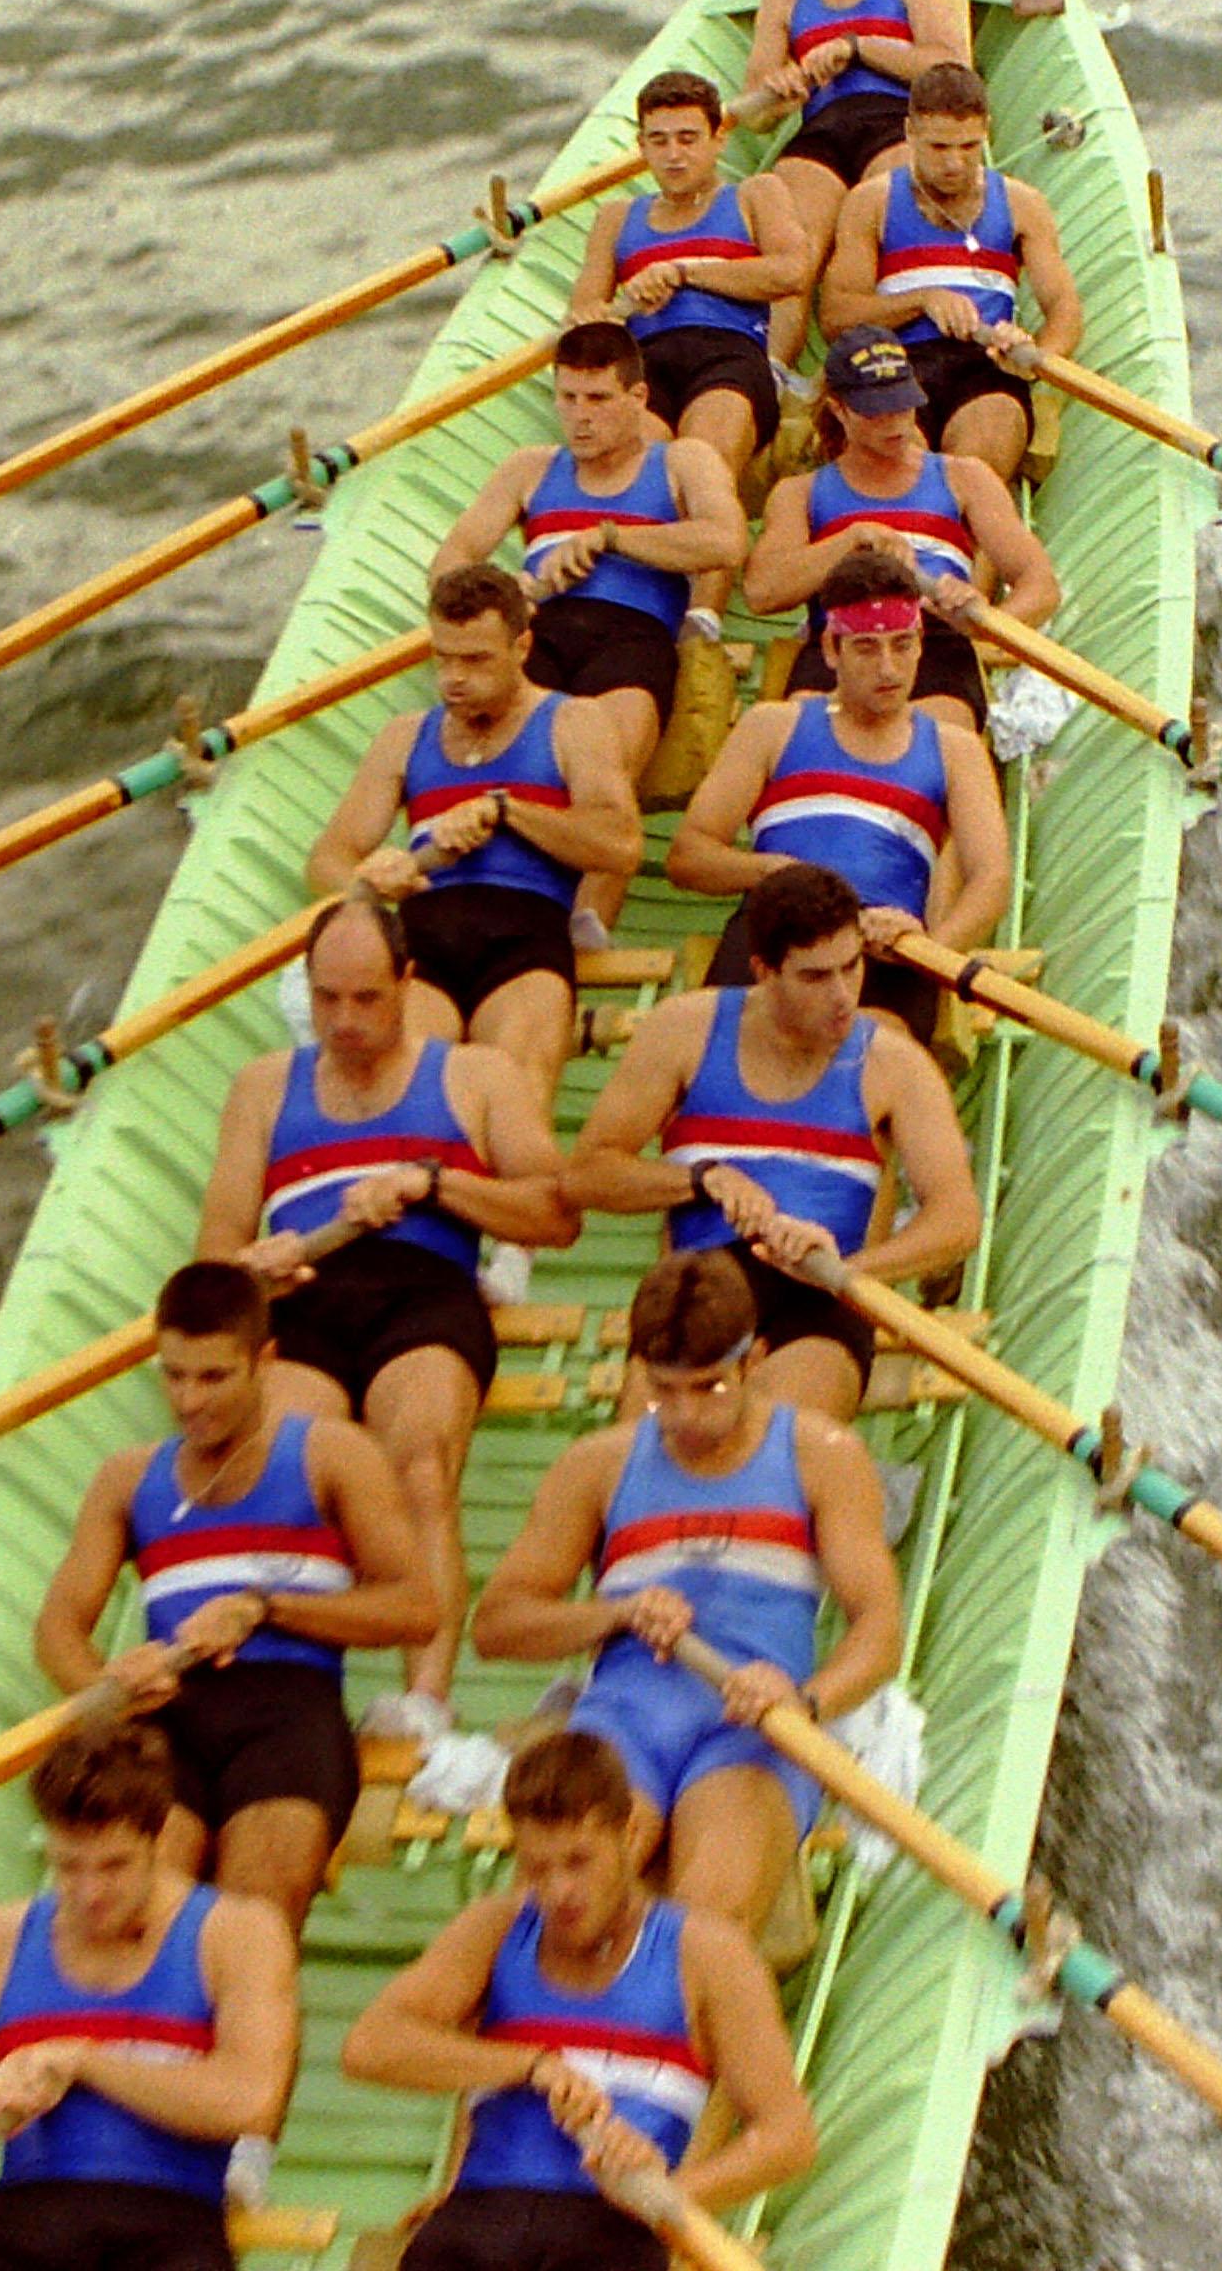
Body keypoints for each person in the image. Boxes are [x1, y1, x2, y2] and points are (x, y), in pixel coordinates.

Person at [200, 899, 575, 1778]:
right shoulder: (264, 1086)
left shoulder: (474, 1078)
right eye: (327, 1001)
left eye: (367, 1000)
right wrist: (257, 1261)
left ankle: (425, 1704)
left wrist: (436, 1185)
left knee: (418, 1458)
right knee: (284, 1468)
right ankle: (280, 1694)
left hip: (425, 1296)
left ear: (409, 985)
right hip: (301, 1303)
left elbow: (555, 1212)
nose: (346, 1023)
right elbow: (216, 1252)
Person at [467, 1255, 902, 1936]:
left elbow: (879, 1630)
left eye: (709, 1388)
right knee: (555, 1927)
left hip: (751, 1729)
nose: (687, 1416)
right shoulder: (597, 1466)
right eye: (665, 1392)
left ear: (753, 1362)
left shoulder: (822, 1454)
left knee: (704, 1928)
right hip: (623, 1727)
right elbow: (496, 1628)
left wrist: (806, 1701)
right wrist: (615, 1613)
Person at [33, 1263, 440, 1933]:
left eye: (213, 1377)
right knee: (145, 1921)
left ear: (265, 1363)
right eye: (174, 1375)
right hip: (163, 1729)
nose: (189, 1400)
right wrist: (104, 1682)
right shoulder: (127, 1479)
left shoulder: (331, 1455)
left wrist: (265, 1608)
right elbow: (57, 1629)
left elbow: (415, 1608)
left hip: (288, 1718)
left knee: (254, 1926)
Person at [339, 1731, 818, 2271]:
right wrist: (529, 2065)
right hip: (478, 2220)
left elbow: (788, 2137)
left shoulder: (707, 1951)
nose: (558, 1891)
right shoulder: (496, 1928)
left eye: (578, 1862)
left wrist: (669, 2192)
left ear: (629, 1836)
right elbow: (370, 2048)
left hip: (611, 2228)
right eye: (539, 1868)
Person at [562, 866, 980, 1424]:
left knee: (766, 1446)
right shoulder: (684, 1028)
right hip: (696, 1297)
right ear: (763, 971)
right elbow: (587, 1173)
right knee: (656, 1475)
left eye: (851, 967)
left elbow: (957, 1219)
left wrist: (852, 1271)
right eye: (815, 977)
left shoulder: (894, 1062)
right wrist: (702, 1178)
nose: (842, 996)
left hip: (822, 1300)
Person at [0, 1721, 299, 2271]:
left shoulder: (237, 1931)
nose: (89, 1893)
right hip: (22, 2225)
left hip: (169, 2227)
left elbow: (248, 2100)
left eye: (114, 1866)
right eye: (68, 1867)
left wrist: (81, 2061)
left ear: (157, 1841)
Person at [429, 325, 744, 943]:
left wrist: (613, 536)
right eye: (567, 398)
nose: (579, 417)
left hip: (633, 638)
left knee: (602, 769)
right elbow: (453, 560)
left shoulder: (680, 461)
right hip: (537, 633)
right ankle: (493, 898)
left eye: (597, 400)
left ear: (639, 398)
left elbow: (726, 540)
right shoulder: (529, 469)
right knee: (510, 764)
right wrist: (504, 586)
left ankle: (584, 924)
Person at [308, 563, 644, 1102]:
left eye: (476, 659)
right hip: (422, 937)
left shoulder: (573, 722)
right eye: (443, 658)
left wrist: (506, 810)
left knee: (508, 1096)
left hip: (526, 937)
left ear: (522, 647)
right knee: (407, 1096)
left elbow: (621, 846)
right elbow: (329, 858)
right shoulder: (404, 737)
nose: (454, 678)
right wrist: (366, 885)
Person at [667, 548, 1010, 1046]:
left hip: (886, 953)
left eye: (902, 644)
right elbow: (689, 857)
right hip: (777, 931)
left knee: (863, 1070)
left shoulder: (954, 749)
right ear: (832, 650)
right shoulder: (772, 726)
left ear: (920, 644)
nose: (889, 668)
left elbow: (991, 880)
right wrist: (776, 873)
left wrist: (931, 947)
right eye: (867, 649)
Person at [741, 325, 1056, 732]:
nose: (896, 425)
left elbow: (1041, 586)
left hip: (934, 643)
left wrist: (981, 626)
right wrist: (851, 541)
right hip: (843, 642)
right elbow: (762, 592)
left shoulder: (964, 477)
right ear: (839, 410)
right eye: (877, 412)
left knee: (932, 739)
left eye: (903, 406)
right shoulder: (800, 493)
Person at [732, 0, 969, 369]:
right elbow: (754, 114)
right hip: (821, 132)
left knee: (889, 225)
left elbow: (952, 71)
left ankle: (891, 369)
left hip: (895, 125)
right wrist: (781, 89)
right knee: (793, 250)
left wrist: (856, 46)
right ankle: (773, 377)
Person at [817, 62, 1083, 484]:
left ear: (987, 133)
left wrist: (1036, 358)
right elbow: (836, 318)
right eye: (939, 147)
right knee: (905, 480)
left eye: (969, 147)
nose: (955, 164)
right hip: (892, 367)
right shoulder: (871, 203)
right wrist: (924, 300)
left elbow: (1065, 309)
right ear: (910, 133)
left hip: (986, 368)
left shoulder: (1022, 204)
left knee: (974, 477)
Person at [568, 74, 812, 489]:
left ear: (718, 139)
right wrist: (616, 308)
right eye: (659, 141)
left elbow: (792, 271)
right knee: (636, 480)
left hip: (729, 357)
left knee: (704, 469)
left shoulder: (755, 195)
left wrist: (684, 272)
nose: (674, 155)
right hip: (644, 364)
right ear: (642, 146)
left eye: (688, 138)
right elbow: (584, 316)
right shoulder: (615, 217)